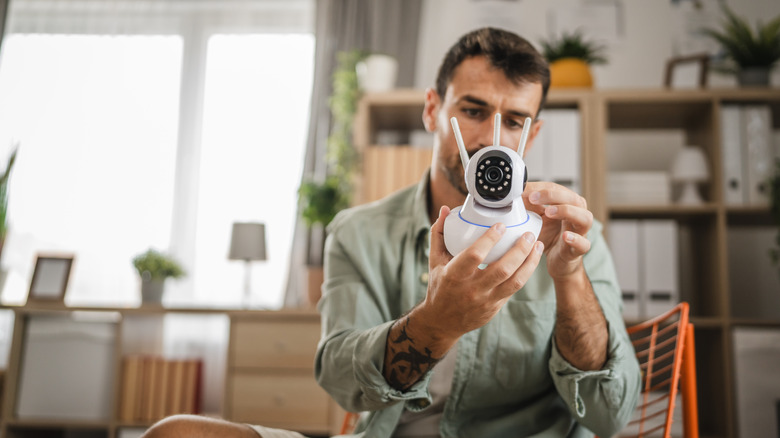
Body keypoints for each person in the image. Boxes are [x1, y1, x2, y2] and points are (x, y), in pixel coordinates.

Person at [142, 26, 641, 438]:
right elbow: (340, 379)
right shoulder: (359, 233)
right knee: (175, 433)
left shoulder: (570, 234)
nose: (492, 139)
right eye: (472, 111)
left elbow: (610, 414)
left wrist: (570, 278)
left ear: (531, 135)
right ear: (432, 111)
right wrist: (434, 325)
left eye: (513, 121)